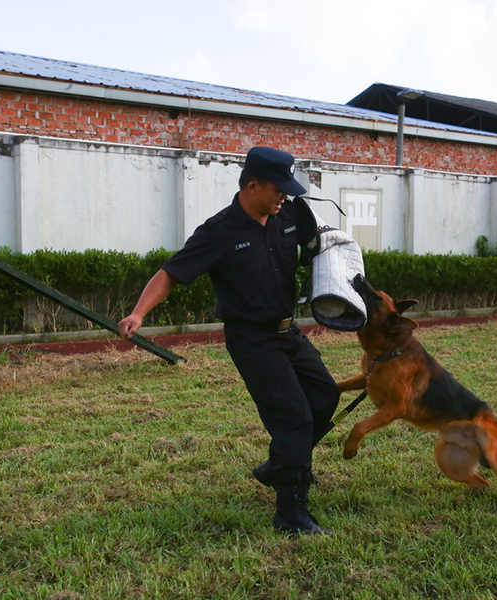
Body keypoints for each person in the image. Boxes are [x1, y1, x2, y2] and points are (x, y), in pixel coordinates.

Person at [118, 146, 340, 536]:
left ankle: (281, 465)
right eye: (278, 190)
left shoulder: (290, 213)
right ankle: (291, 513)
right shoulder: (218, 231)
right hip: (252, 339)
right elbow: (170, 273)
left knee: (325, 397)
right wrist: (139, 312)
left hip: (289, 332)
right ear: (252, 186)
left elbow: (326, 247)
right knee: (294, 417)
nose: (285, 197)